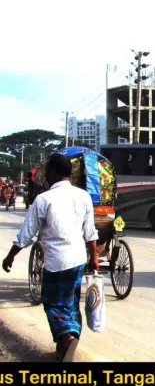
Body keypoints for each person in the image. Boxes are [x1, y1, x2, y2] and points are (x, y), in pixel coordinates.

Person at [2, 153, 99, 362]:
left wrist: (10, 257)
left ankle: (67, 336)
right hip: (77, 259)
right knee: (71, 303)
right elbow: (90, 233)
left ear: (54, 172)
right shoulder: (83, 196)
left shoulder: (44, 199)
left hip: (56, 262)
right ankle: (65, 344)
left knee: (53, 303)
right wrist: (94, 258)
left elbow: (26, 234)